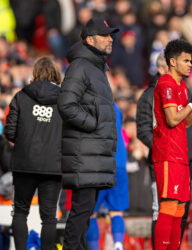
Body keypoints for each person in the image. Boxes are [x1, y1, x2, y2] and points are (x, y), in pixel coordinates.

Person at [57, 18, 119, 249]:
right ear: (90, 40)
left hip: (92, 153)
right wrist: (93, 124)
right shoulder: (81, 66)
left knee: (84, 214)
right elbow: (66, 104)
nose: (111, 38)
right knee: (81, 213)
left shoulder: (95, 67)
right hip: (85, 152)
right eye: (105, 35)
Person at [152, 39, 192, 250]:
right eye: (186, 60)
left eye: (191, 60)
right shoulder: (165, 83)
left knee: (179, 210)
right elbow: (172, 119)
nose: (190, 64)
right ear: (172, 62)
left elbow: (187, 121)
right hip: (167, 153)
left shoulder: (180, 85)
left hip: (181, 154)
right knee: (169, 206)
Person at [4, 57, 63, 250]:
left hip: (24, 163)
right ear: (56, 74)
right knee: (49, 217)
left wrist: (24, 144)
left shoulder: (21, 96)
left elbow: (9, 131)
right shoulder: (65, 99)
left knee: (20, 212)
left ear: (35, 73)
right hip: (53, 165)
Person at [86, 103, 129, 250]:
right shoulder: (115, 106)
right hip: (120, 162)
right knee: (116, 211)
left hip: (100, 164)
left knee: (90, 213)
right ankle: (118, 245)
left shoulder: (90, 105)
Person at [137, 53, 168, 247]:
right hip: (159, 159)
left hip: (182, 160)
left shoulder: (184, 91)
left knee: (179, 211)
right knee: (160, 209)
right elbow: (143, 130)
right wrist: (162, 147)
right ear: (161, 69)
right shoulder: (149, 96)